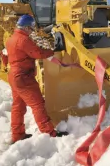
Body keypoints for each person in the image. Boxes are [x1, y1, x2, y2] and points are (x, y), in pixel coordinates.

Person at [5, 14, 68, 144]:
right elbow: (37, 53)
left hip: (14, 75)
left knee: (18, 106)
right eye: (32, 29)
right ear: (27, 27)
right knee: (38, 104)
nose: (32, 31)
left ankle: (17, 134)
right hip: (23, 77)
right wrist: (53, 51)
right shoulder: (23, 40)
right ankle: (49, 133)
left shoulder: (12, 38)